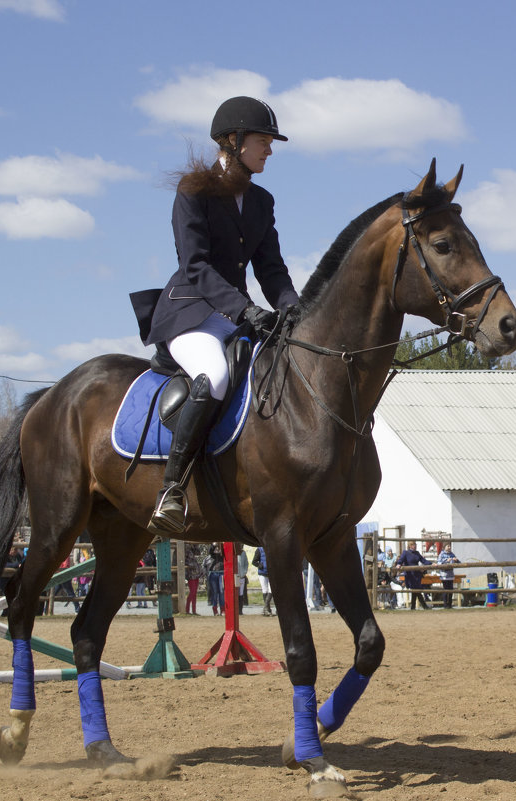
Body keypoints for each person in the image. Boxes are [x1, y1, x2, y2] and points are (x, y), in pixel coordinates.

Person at [131, 96, 299, 537]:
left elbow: (271, 267)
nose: (270, 150)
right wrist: (245, 308)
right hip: (189, 313)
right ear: (233, 140)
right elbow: (195, 265)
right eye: (263, 140)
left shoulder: (262, 201)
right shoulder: (194, 190)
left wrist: (292, 309)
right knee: (216, 375)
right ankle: (173, 489)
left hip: (233, 317)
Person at [396, 540, 431, 609]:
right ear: (410, 546)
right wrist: (399, 564)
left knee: (415, 591)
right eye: (413, 545)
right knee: (416, 590)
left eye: (415, 545)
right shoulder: (405, 552)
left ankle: (413, 607)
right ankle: (424, 606)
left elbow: (423, 560)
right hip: (410, 575)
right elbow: (401, 560)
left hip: (417, 575)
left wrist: (431, 564)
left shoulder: (417, 553)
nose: (415, 546)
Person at [437, 541, 461, 608]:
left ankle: (450, 604)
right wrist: (446, 560)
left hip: (450, 575)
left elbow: (459, 563)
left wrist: (456, 560)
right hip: (444, 575)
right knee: (445, 589)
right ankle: (445, 605)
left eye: (450, 546)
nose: (449, 547)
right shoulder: (441, 554)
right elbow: (438, 563)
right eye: (448, 546)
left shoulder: (452, 554)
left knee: (451, 590)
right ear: (444, 547)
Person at [184, 542, 205, 614]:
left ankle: (194, 610)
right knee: (192, 592)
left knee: (195, 592)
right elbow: (185, 559)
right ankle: (187, 609)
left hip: (196, 572)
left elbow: (198, 553)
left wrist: (195, 546)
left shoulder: (194, 547)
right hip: (191, 573)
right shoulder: (186, 547)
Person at [204, 544, 225, 615]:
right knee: (215, 592)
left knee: (221, 592)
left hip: (221, 573)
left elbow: (224, 552)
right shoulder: (212, 555)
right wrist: (214, 544)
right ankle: (215, 609)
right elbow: (210, 551)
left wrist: (221, 546)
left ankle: (222, 609)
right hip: (213, 573)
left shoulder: (222, 555)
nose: (217, 550)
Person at [252, 546, 274, 616]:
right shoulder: (259, 549)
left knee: (271, 590)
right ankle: (267, 609)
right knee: (265, 590)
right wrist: (259, 565)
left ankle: (265, 608)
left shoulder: (273, 548)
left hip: (271, 573)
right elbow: (254, 561)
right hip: (262, 573)